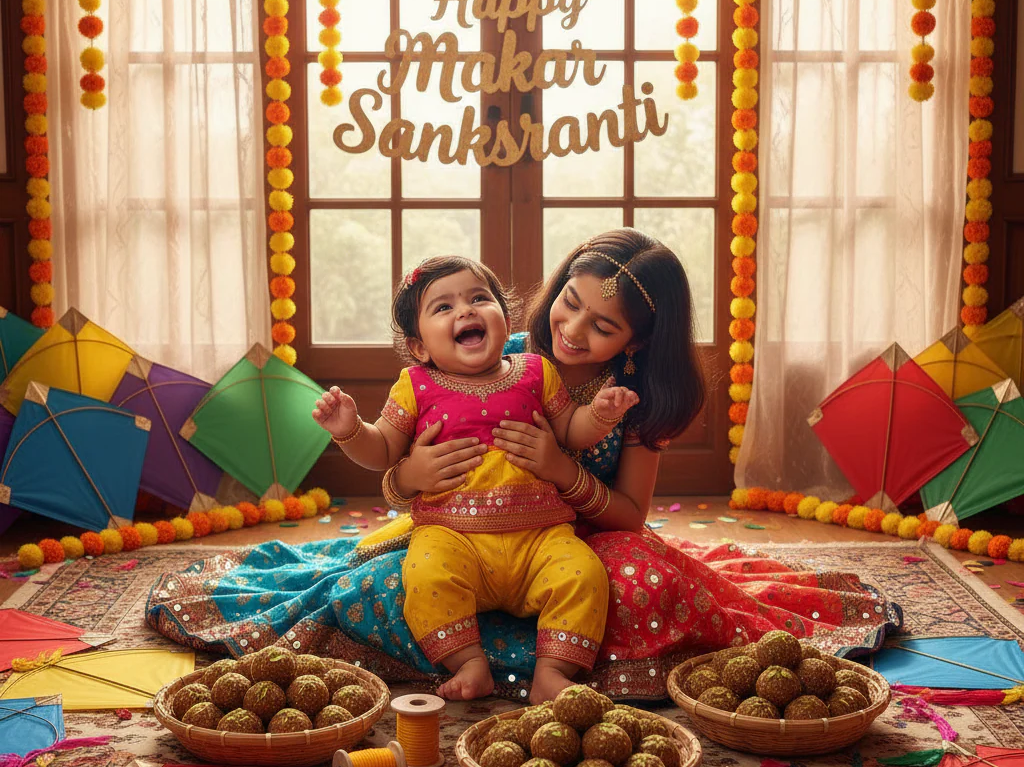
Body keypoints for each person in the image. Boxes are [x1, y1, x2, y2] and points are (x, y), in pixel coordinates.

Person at [147, 229, 900, 699]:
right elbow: (394, 459)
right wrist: (401, 478)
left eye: (601, 326)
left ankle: (553, 665)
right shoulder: (498, 357)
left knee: (633, 579)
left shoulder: (637, 399)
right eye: (569, 302)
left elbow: (631, 517)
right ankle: (476, 655)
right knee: (378, 584)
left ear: (634, 344)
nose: (571, 328)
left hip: (575, 539)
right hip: (458, 536)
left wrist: (564, 467)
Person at [309, 254, 638, 701]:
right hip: (451, 537)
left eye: (479, 298)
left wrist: (598, 415)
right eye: (442, 308)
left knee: (584, 575)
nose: (465, 310)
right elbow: (383, 449)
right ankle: (469, 662)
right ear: (421, 346)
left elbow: (569, 432)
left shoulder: (537, 372)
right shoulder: (416, 385)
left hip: (540, 535)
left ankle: (552, 672)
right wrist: (349, 430)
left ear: (505, 319)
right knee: (423, 576)